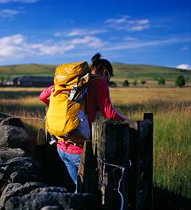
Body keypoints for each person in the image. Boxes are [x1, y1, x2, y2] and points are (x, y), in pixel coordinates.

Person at [39, 53, 130, 192]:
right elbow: (109, 113)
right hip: (81, 150)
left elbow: (43, 96)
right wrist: (129, 121)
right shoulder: (99, 82)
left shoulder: (70, 82)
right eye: (108, 78)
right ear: (104, 72)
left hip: (61, 146)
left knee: (78, 186)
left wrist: (62, 112)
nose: (107, 81)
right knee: (86, 191)